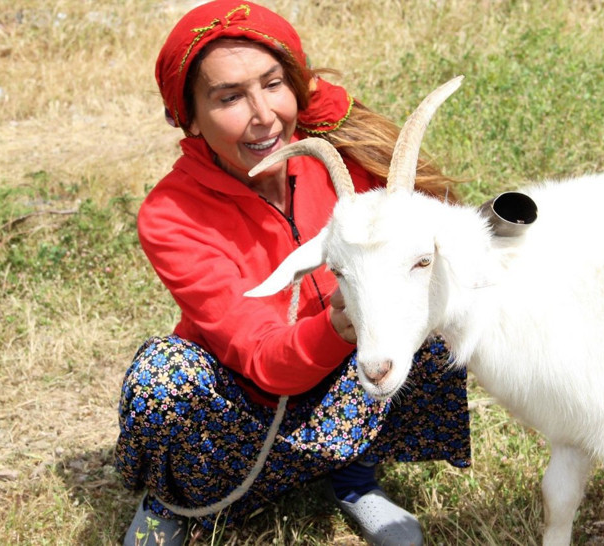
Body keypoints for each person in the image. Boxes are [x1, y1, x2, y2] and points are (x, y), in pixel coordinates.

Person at [114, 2, 471, 545]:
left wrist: (306, 96)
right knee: (161, 377)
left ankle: (354, 479)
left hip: (344, 379)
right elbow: (260, 354)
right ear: (187, 117)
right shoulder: (171, 213)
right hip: (244, 401)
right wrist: (336, 328)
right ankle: (181, 503)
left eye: (274, 84)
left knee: (427, 294)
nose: (263, 115)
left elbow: (433, 212)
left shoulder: (340, 161)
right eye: (230, 96)